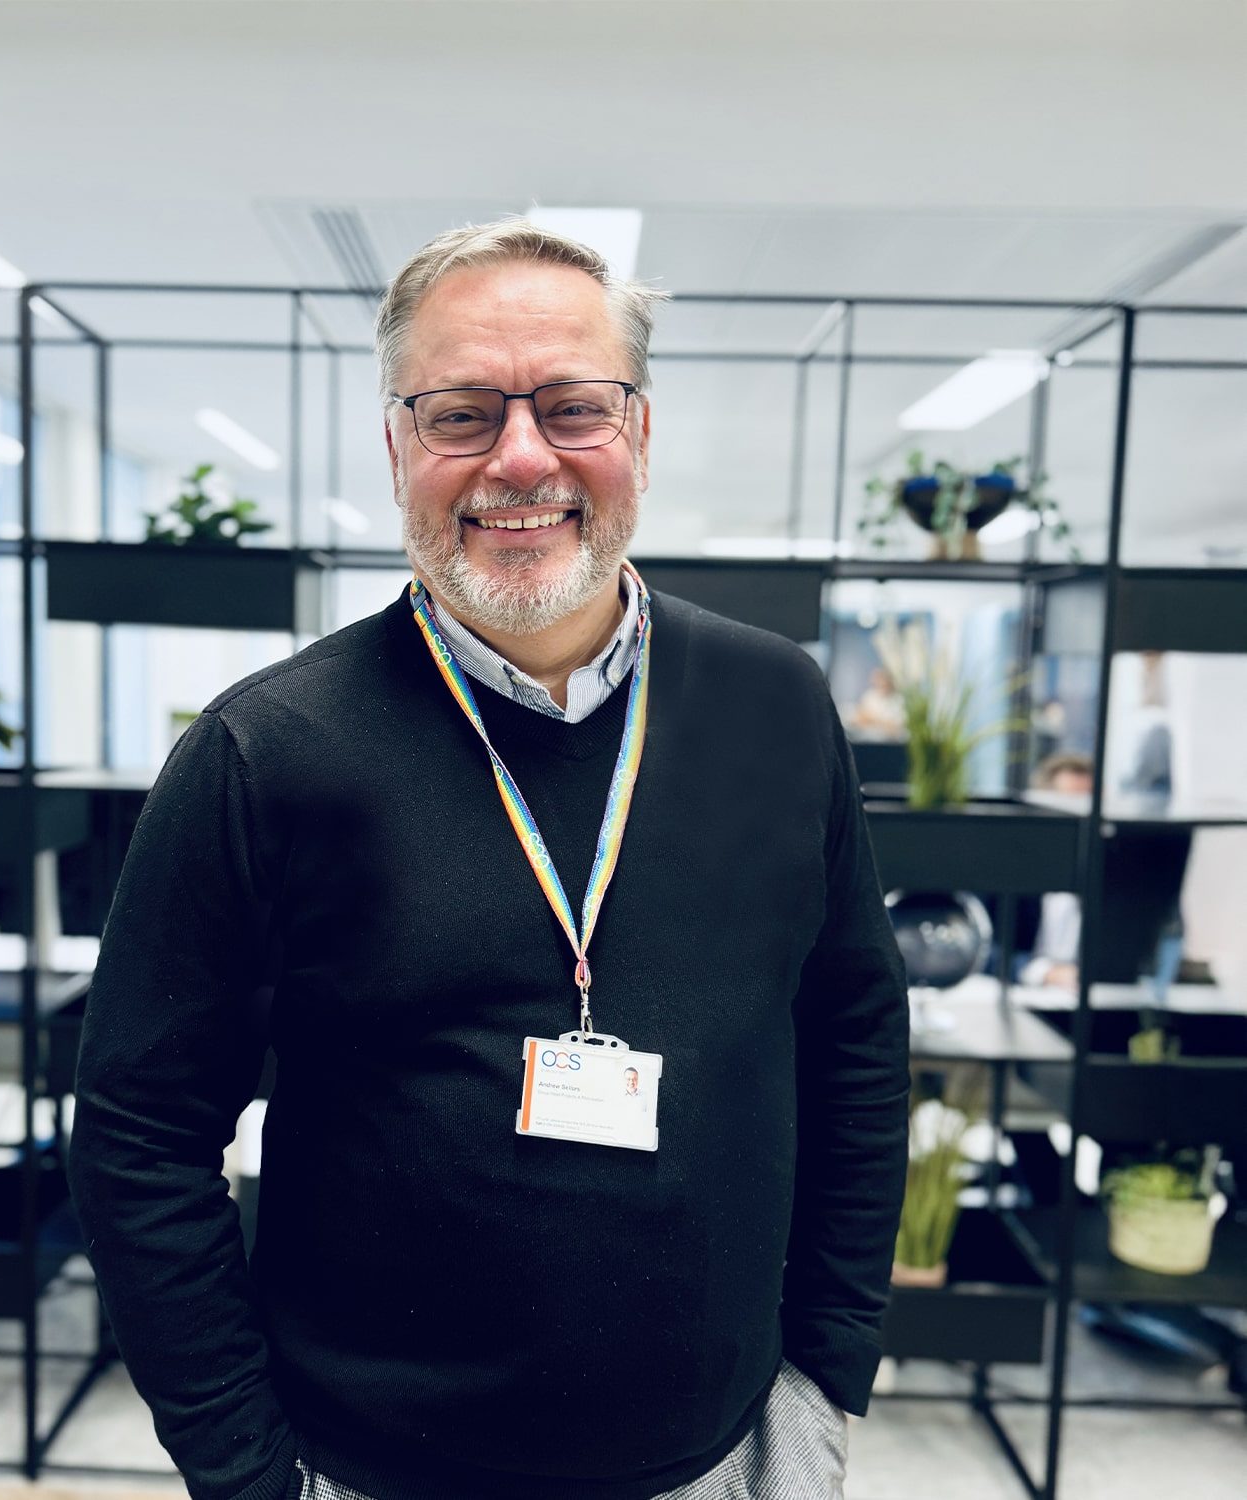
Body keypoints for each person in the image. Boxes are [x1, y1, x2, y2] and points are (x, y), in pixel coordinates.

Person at [68, 220, 910, 1500]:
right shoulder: (267, 749)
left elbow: (853, 1039)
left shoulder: (776, 703)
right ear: (400, 446)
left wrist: (824, 1387)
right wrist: (248, 1475)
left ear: (639, 432)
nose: (522, 456)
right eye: (461, 413)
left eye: (573, 405)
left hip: (726, 1460)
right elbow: (139, 1132)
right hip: (368, 1474)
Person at [1019, 752, 1094, 992]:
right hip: (1027, 994)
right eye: (1070, 805)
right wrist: (1046, 974)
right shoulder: (1017, 869)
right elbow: (985, 952)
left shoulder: (1115, 876)